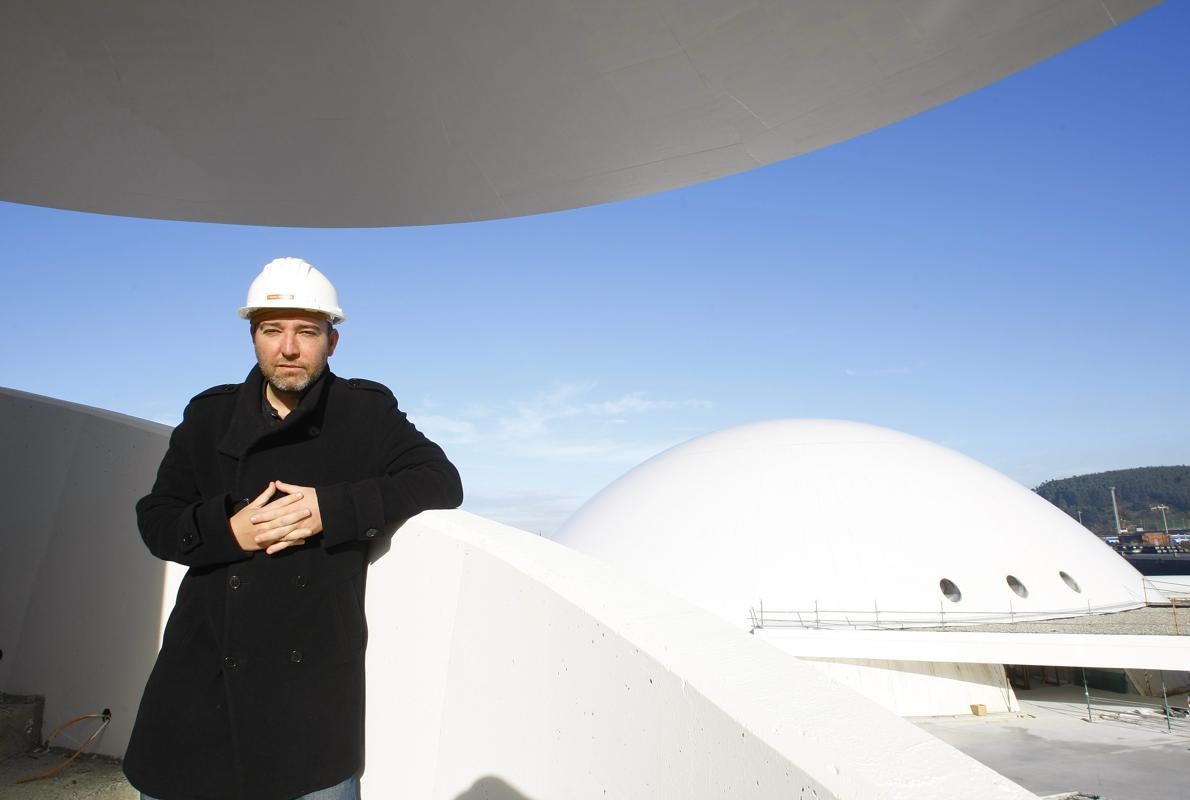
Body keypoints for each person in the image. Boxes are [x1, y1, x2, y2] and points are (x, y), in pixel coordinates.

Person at [123, 257, 463, 800]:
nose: (288, 348)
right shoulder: (208, 416)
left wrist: (332, 510)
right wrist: (231, 531)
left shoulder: (365, 413)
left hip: (312, 701)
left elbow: (441, 481)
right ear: (253, 338)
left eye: (306, 332)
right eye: (272, 331)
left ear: (333, 341)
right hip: (199, 685)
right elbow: (156, 520)